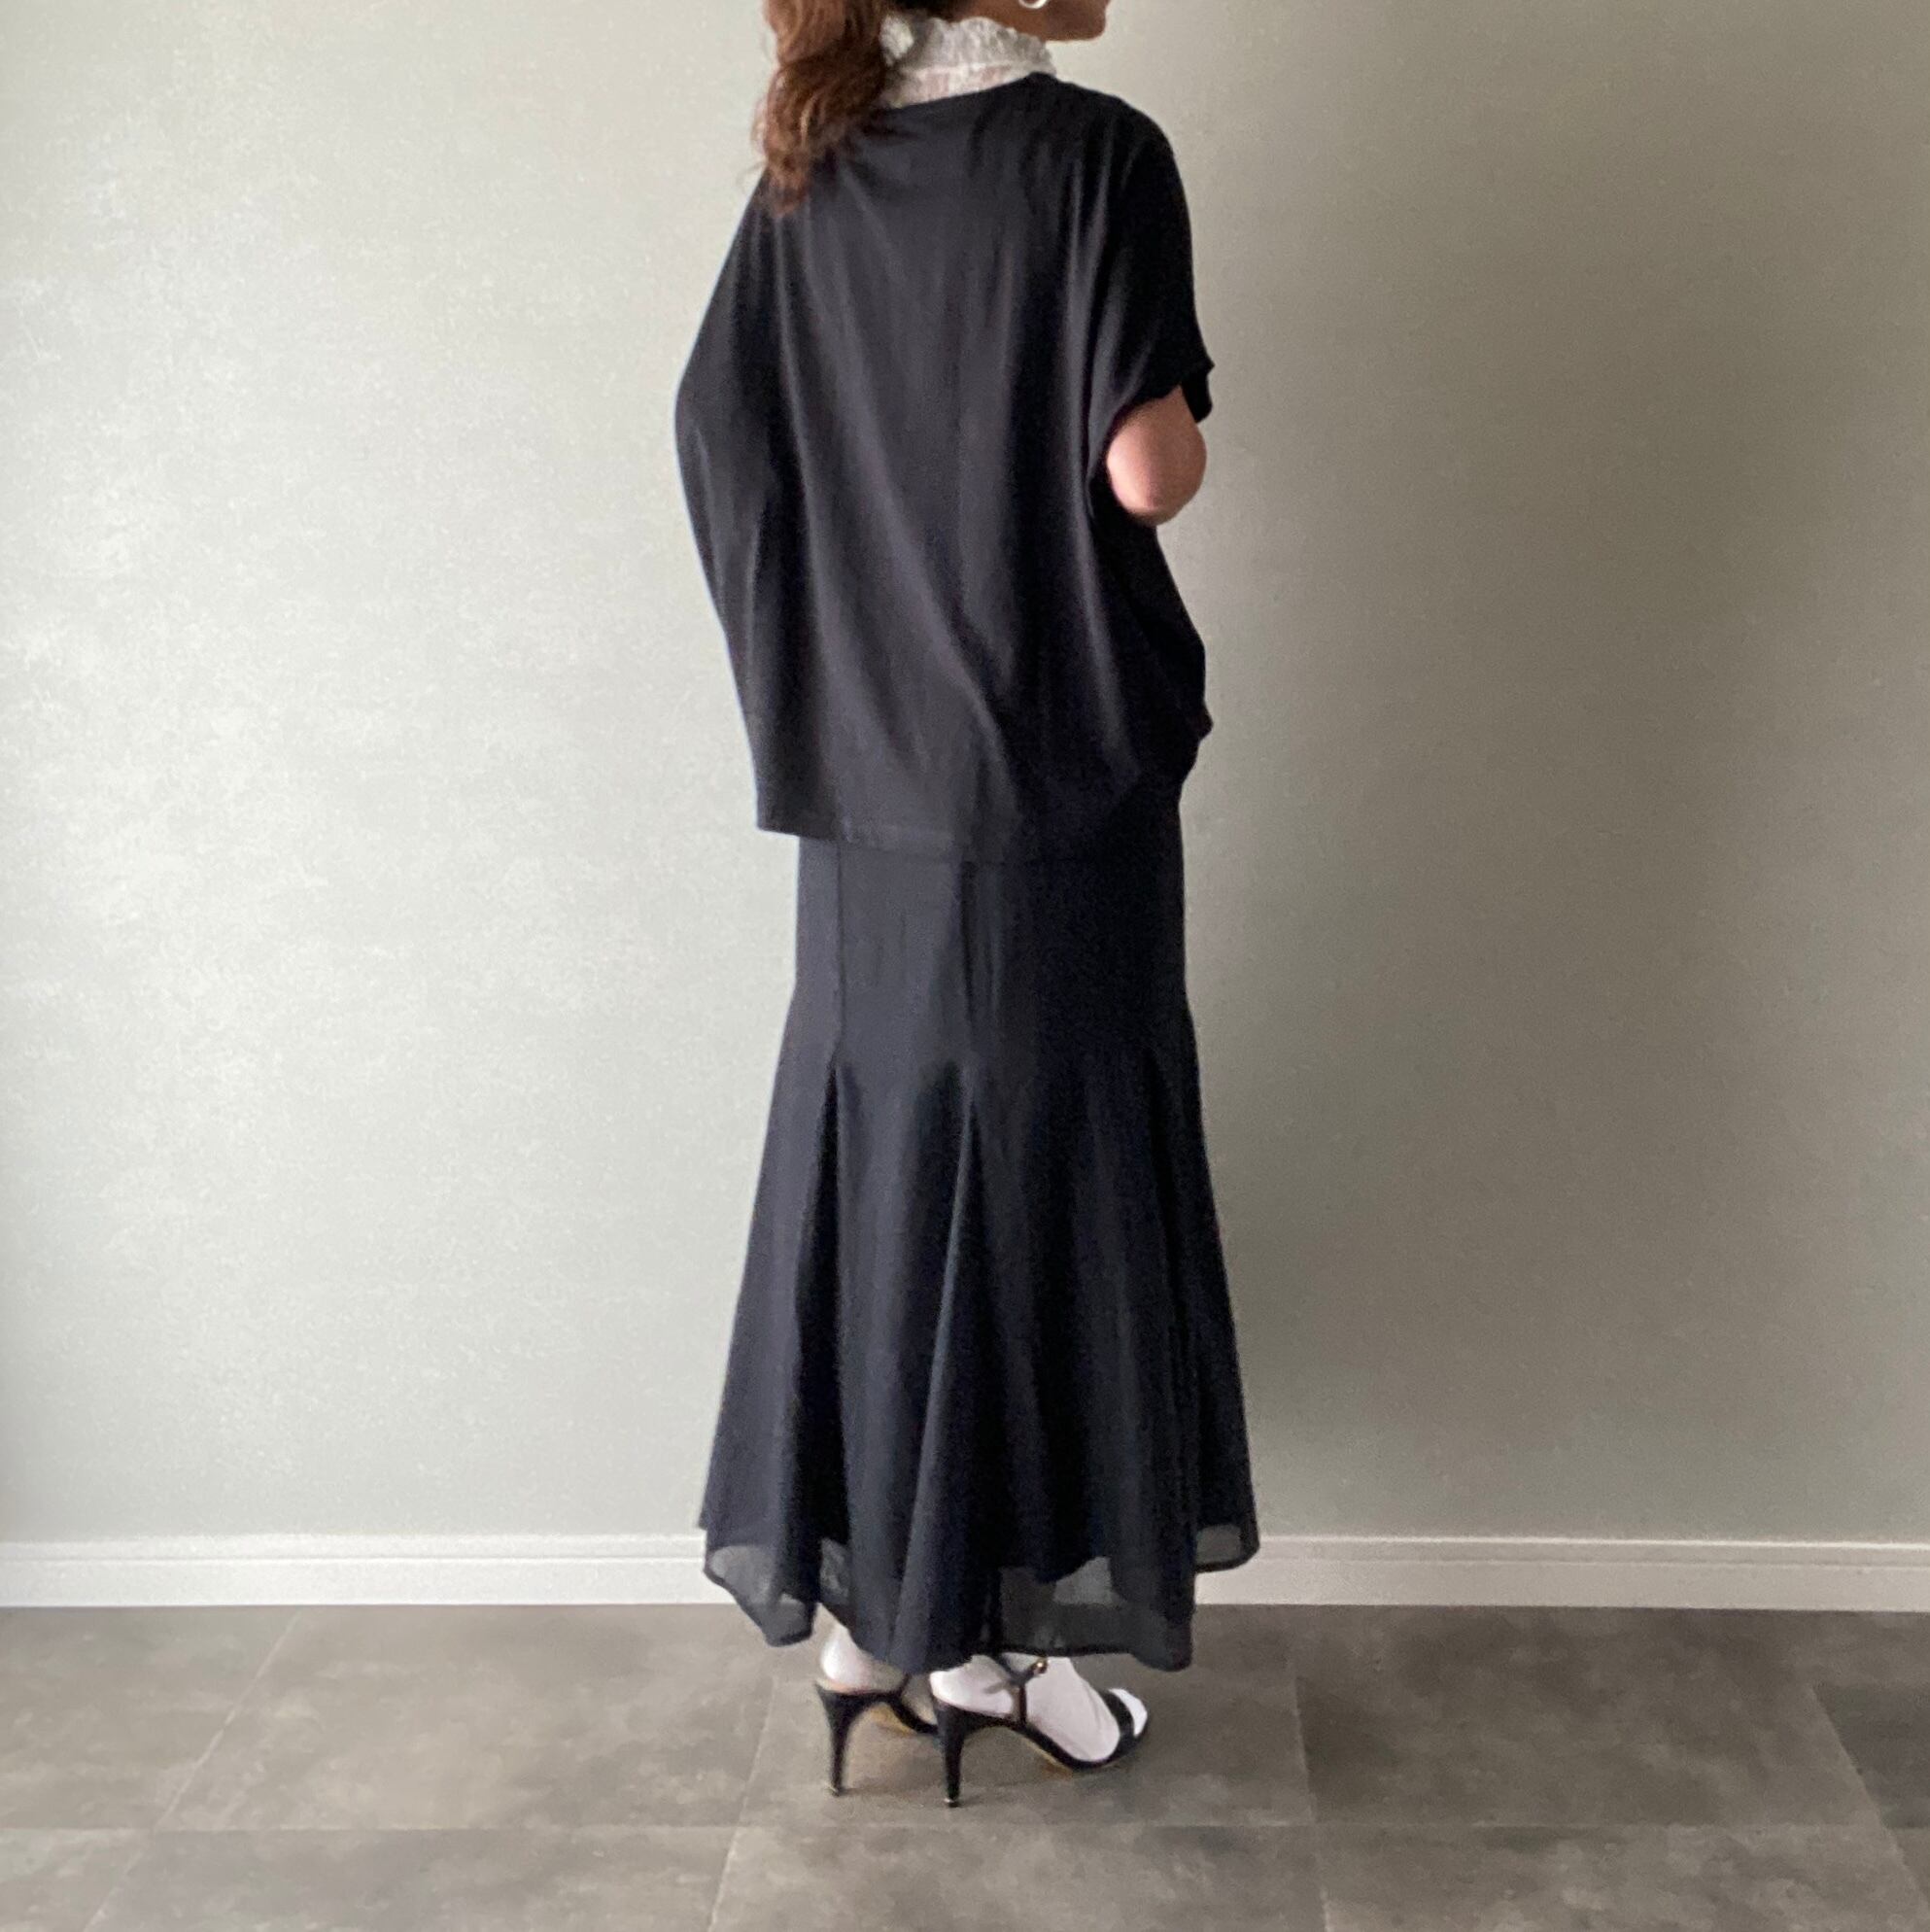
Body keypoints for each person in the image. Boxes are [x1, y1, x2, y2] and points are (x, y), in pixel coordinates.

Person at [672, 0, 1259, 1808]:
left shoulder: (806, 168)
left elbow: (717, 433)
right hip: (1045, 772)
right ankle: (980, 1651)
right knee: (1024, 1190)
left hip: (871, 788)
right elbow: (1145, 471)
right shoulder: (1095, 157)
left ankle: (874, 1625)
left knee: (891, 1171)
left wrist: (829, 673)